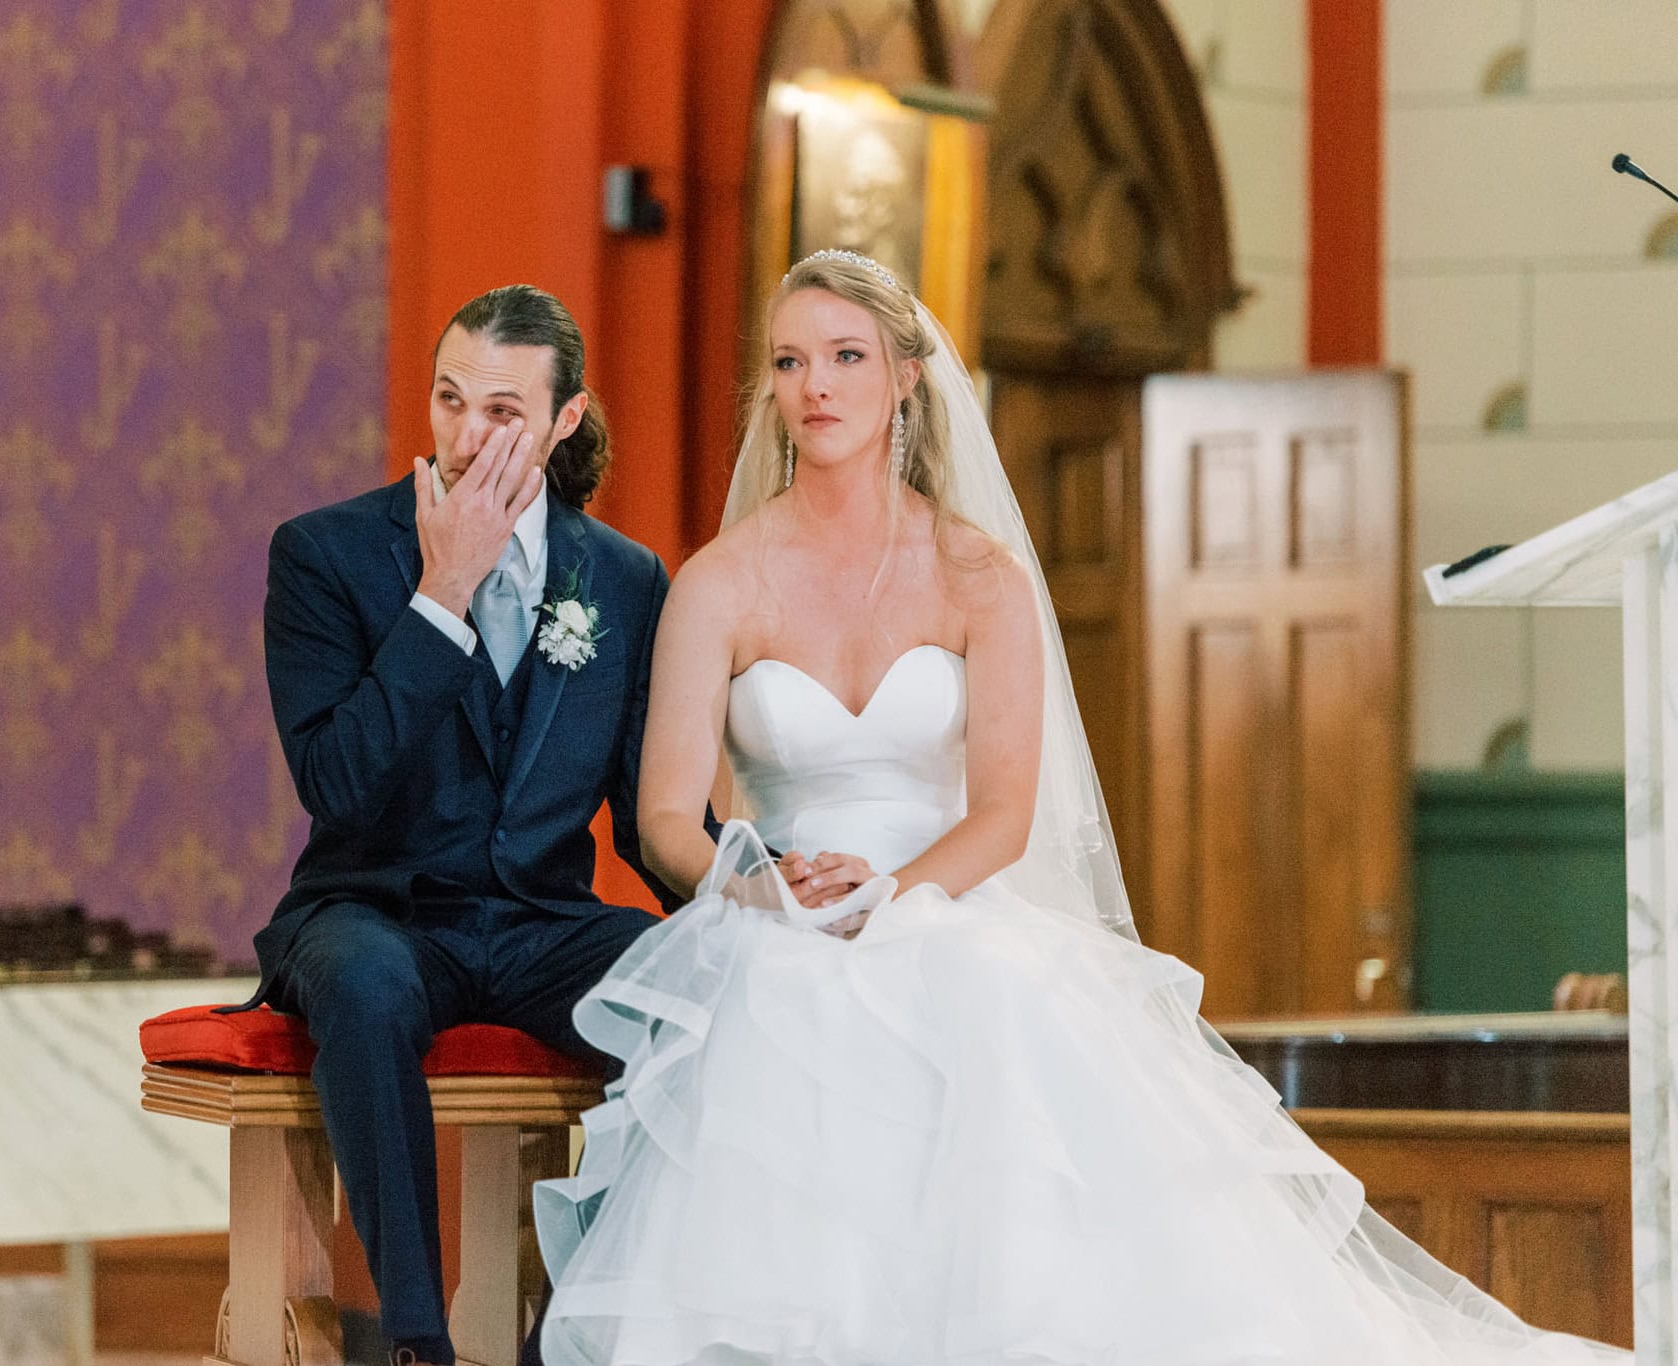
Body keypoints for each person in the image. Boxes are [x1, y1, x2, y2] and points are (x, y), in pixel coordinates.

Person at [531, 249, 1630, 1364]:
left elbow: (1003, 814)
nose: (815, 386)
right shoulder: (720, 579)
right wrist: (756, 887)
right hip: (773, 932)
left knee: (1018, 1168)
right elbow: (668, 814)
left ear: (904, 377)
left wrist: (886, 896)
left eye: (845, 357)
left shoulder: (978, 576)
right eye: (790, 361)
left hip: (941, 914)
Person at [252, 284, 680, 1366]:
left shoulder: (623, 582)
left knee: (696, 987)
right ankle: (412, 1337)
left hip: (540, 921)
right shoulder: (323, 555)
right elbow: (335, 781)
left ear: (562, 420)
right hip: (372, 910)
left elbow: (644, 817)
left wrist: (744, 905)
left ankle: (570, 1324)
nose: (463, 436)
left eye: (500, 411)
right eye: (449, 401)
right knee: (364, 980)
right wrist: (442, 593)